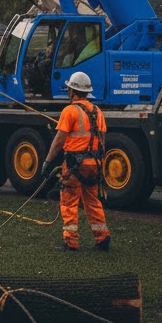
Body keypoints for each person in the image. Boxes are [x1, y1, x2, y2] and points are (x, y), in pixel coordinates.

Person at [40, 70, 111, 252]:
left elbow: (59, 140)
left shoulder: (70, 111)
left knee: (69, 202)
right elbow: (101, 140)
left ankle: (71, 242)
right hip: (94, 165)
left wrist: (47, 162)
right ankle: (102, 238)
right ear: (87, 92)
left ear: (72, 91)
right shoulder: (98, 112)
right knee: (92, 201)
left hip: (74, 166)